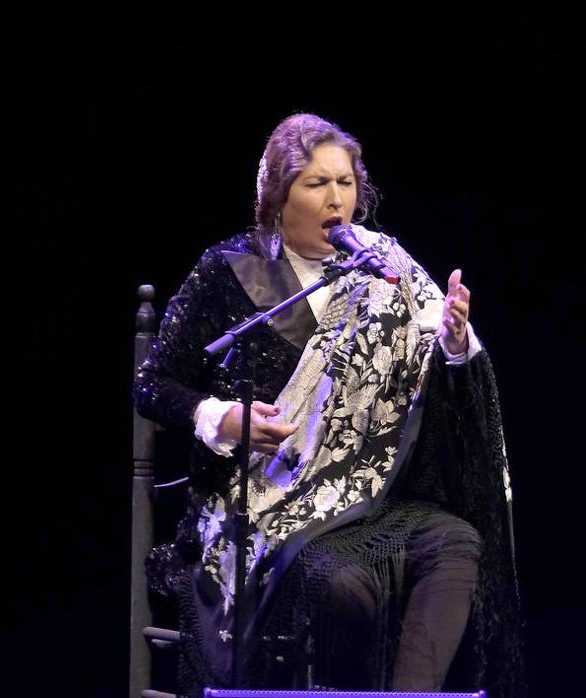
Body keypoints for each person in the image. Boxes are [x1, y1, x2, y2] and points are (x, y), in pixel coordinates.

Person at [134, 113, 525, 696]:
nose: (335, 199)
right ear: (276, 196)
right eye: (316, 184)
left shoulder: (384, 265)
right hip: (267, 503)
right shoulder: (230, 271)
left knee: (456, 543)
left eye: (345, 183)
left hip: (364, 496)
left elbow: (440, 384)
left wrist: (453, 343)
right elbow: (153, 383)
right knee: (345, 585)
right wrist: (220, 418)